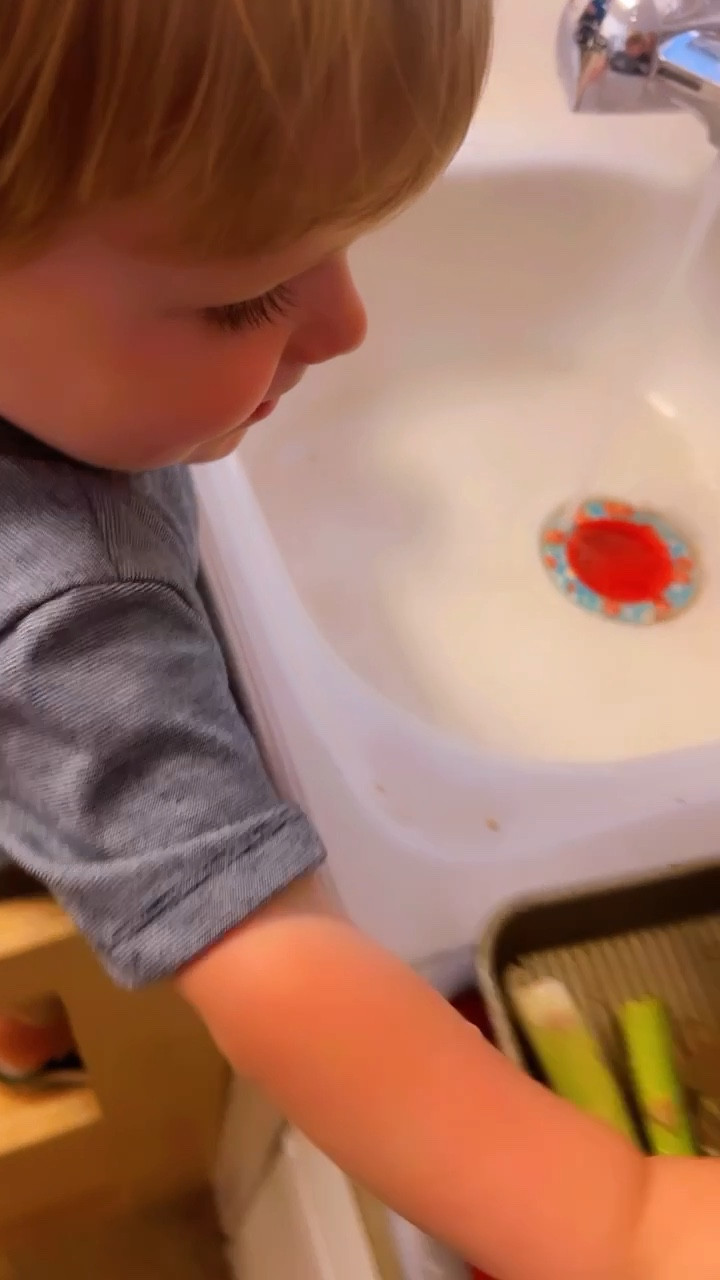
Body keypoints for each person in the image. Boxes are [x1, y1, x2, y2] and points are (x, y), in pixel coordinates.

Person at [0, 3, 717, 1276]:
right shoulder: (65, 623)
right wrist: (624, 1217)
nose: (345, 328)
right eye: (250, 299)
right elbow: (277, 963)